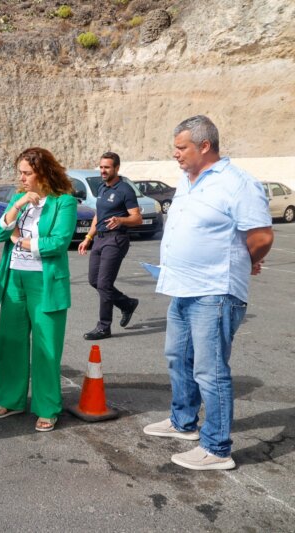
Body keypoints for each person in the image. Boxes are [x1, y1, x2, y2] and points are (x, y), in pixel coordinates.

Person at [143, 115, 273, 470]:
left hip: (215, 291)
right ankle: (183, 423)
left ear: (205, 146)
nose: (175, 154)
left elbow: (261, 237)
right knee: (177, 357)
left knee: (210, 370)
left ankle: (217, 448)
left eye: (181, 147)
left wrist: (246, 261)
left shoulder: (236, 183)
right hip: (182, 287)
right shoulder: (188, 180)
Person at [0, 147, 77, 432]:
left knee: (46, 346)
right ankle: (11, 400)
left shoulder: (64, 202)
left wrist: (21, 242)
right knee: (11, 342)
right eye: (20, 173)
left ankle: (47, 406)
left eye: (27, 173)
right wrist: (17, 205)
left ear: (43, 172)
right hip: (14, 278)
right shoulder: (19, 199)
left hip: (45, 282)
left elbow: (58, 243)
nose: (22, 178)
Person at [77, 152, 142, 340]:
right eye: (101, 167)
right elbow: (99, 215)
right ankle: (126, 304)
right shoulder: (103, 188)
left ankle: (104, 327)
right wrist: (88, 238)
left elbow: (137, 218)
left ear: (117, 168)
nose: (103, 171)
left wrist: (121, 219)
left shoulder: (125, 190)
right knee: (94, 281)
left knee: (104, 284)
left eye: (107, 167)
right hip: (99, 239)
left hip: (116, 240)